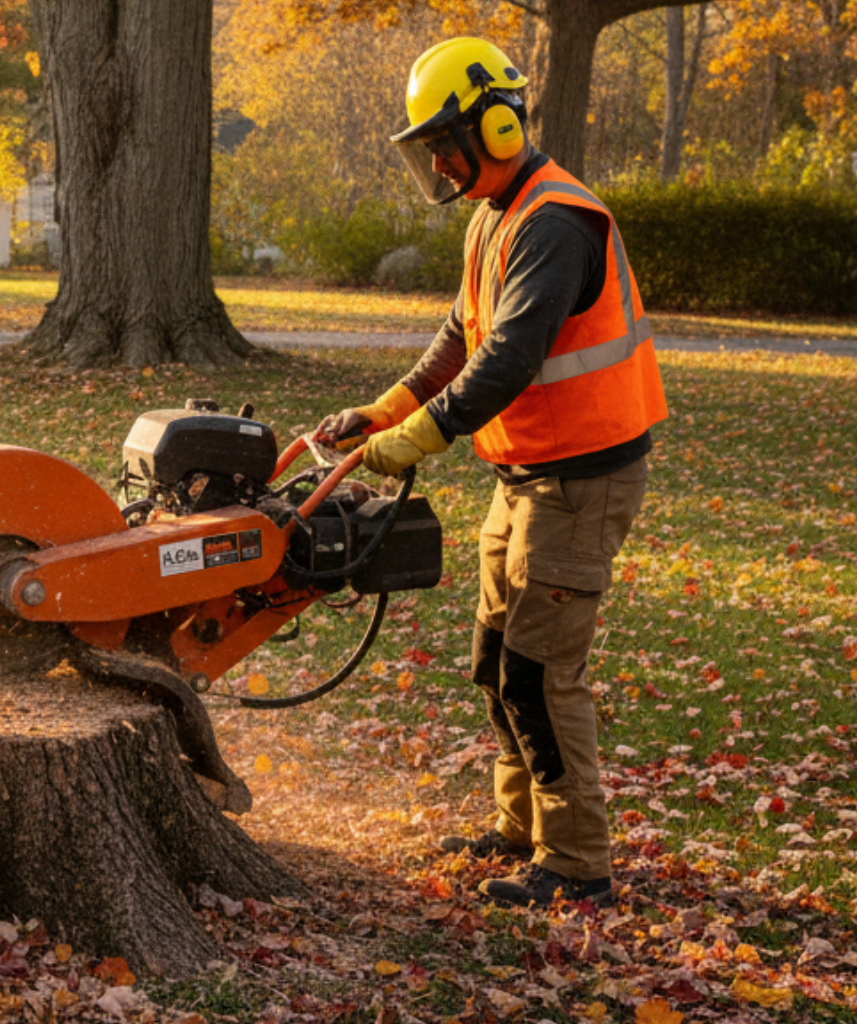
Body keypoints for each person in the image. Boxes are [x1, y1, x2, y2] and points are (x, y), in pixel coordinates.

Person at [318, 37, 667, 908]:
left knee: (542, 675)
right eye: (428, 148)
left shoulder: (554, 221)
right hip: (527, 478)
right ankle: (521, 829)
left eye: (446, 141)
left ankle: (577, 864)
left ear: (499, 126)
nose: (436, 161)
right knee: (494, 660)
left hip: (580, 484)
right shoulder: (496, 214)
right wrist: (383, 411)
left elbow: (508, 360)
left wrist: (415, 441)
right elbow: (457, 340)